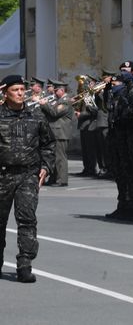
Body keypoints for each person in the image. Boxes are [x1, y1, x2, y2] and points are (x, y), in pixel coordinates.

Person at [0, 75, 55, 282]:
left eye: (23, 89)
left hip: (27, 175)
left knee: (27, 220)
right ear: (5, 92)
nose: (21, 93)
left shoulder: (36, 115)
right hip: (2, 175)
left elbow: (48, 143)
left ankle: (24, 264)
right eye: (15, 90)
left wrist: (46, 167)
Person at [40, 80, 73, 187]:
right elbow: (50, 114)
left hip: (61, 133)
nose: (54, 92)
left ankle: (62, 180)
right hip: (55, 132)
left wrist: (45, 104)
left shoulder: (65, 101)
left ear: (62, 90)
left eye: (56, 90)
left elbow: (55, 113)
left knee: (60, 157)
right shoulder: (58, 100)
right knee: (53, 157)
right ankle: (54, 178)